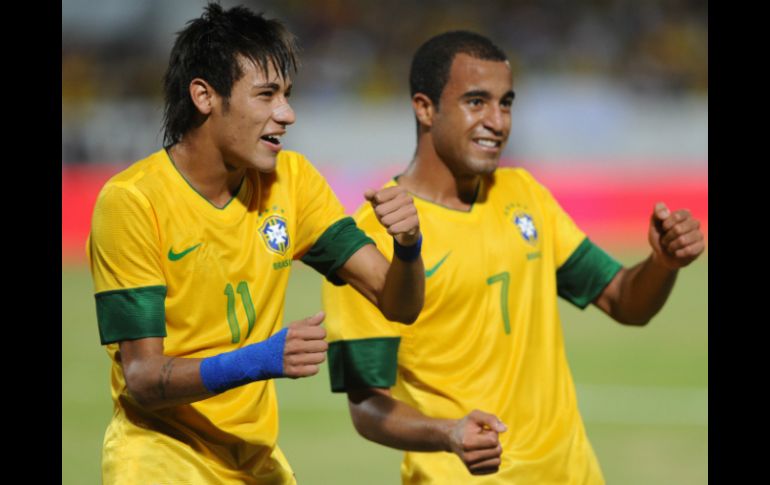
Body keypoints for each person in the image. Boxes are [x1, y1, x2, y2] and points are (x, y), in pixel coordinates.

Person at [322, 30, 704, 484]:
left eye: (506, 103)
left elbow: (624, 300)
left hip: (573, 474)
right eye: (476, 102)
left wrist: (662, 263)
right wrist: (449, 433)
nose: (497, 121)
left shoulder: (526, 196)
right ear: (425, 107)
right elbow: (366, 405)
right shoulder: (373, 234)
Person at [86, 4, 425, 484]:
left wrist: (409, 247)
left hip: (254, 461)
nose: (286, 114)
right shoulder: (133, 202)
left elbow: (398, 302)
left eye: (286, 95)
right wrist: (261, 359)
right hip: (161, 460)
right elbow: (143, 380)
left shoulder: (294, 182)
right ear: (204, 96)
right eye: (266, 95)